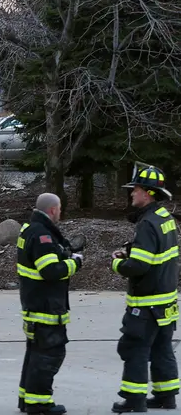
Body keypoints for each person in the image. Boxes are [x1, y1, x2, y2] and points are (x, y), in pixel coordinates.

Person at [110, 165, 179, 413]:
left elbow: (138, 265)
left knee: (135, 348)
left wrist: (118, 263)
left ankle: (133, 400)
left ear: (148, 193)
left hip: (147, 303)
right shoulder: (165, 219)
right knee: (162, 348)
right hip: (166, 302)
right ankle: (166, 396)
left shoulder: (147, 224)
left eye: (135, 189)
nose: (132, 194)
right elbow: (157, 256)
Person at [16, 193, 83, 414]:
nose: (61, 213)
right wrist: (75, 263)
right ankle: (39, 404)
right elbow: (50, 271)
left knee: (35, 353)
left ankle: (27, 399)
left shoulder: (30, 229)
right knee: (50, 353)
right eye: (60, 208)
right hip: (45, 307)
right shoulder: (42, 235)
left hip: (35, 304)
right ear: (53, 210)